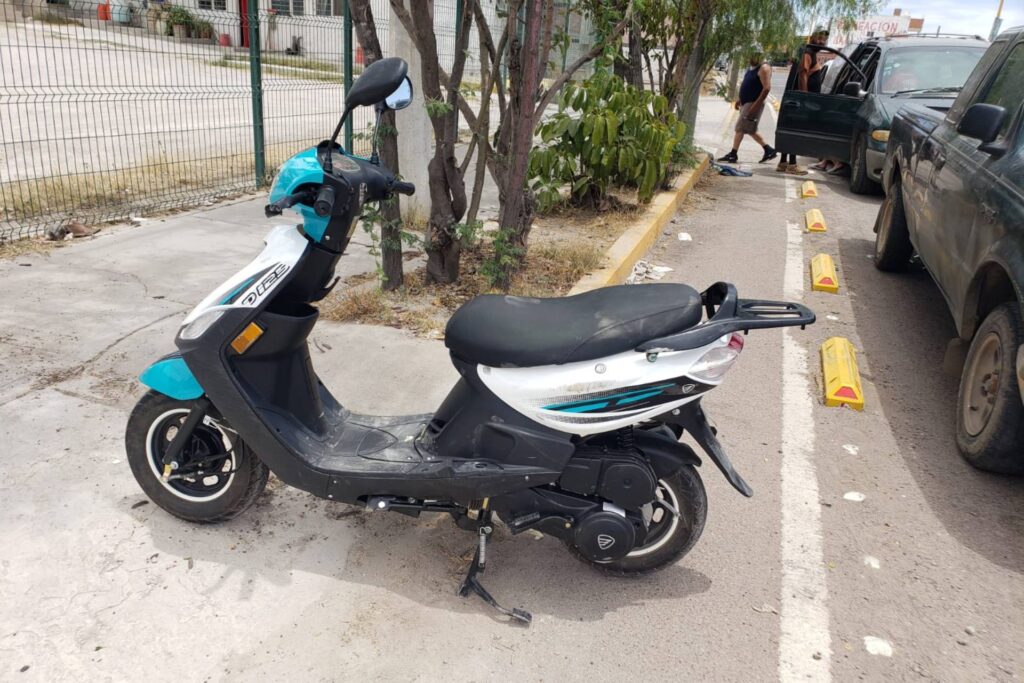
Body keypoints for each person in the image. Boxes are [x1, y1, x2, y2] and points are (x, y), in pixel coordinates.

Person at [776, 27, 830, 175]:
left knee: (790, 129)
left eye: (824, 39)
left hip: (793, 99)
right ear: (812, 37)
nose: (822, 42)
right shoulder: (808, 53)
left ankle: (783, 162)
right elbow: (803, 74)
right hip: (799, 100)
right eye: (819, 38)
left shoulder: (806, 51)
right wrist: (804, 96)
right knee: (796, 131)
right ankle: (792, 164)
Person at [717, 47, 776, 164]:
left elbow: (766, 88)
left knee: (740, 128)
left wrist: (755, 106)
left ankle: (733, 154)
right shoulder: (751, 69)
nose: (751, 57)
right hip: (746, 103)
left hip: (753, 103)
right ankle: (768, 150)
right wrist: (740, 99)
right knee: (749, 129)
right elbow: (749, 85)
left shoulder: (764, 68)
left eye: (754, 55)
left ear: (759, 55)